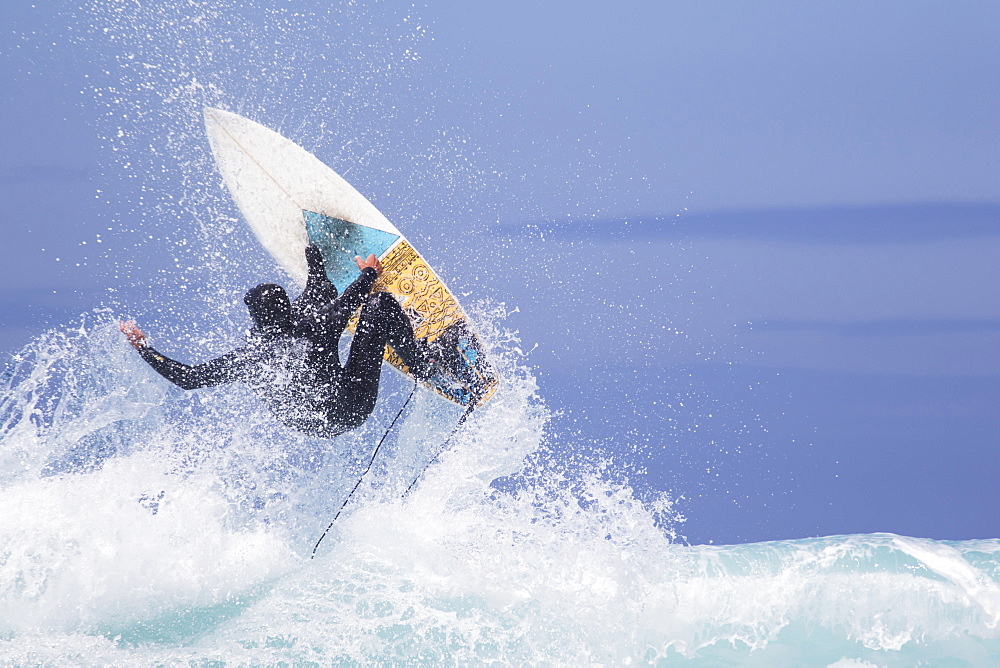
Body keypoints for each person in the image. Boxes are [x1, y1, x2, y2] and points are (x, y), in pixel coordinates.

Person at [120, 244, 435, 437]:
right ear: (286, 307)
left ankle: (317, 271)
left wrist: (144, 348)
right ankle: (423, 364)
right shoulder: (317, 327)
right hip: (351, 405)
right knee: (379, 307)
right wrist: (368, 273)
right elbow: (353, 298)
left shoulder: (249, 356)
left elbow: (187, 378)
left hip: (311, 425)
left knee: (316, 303)